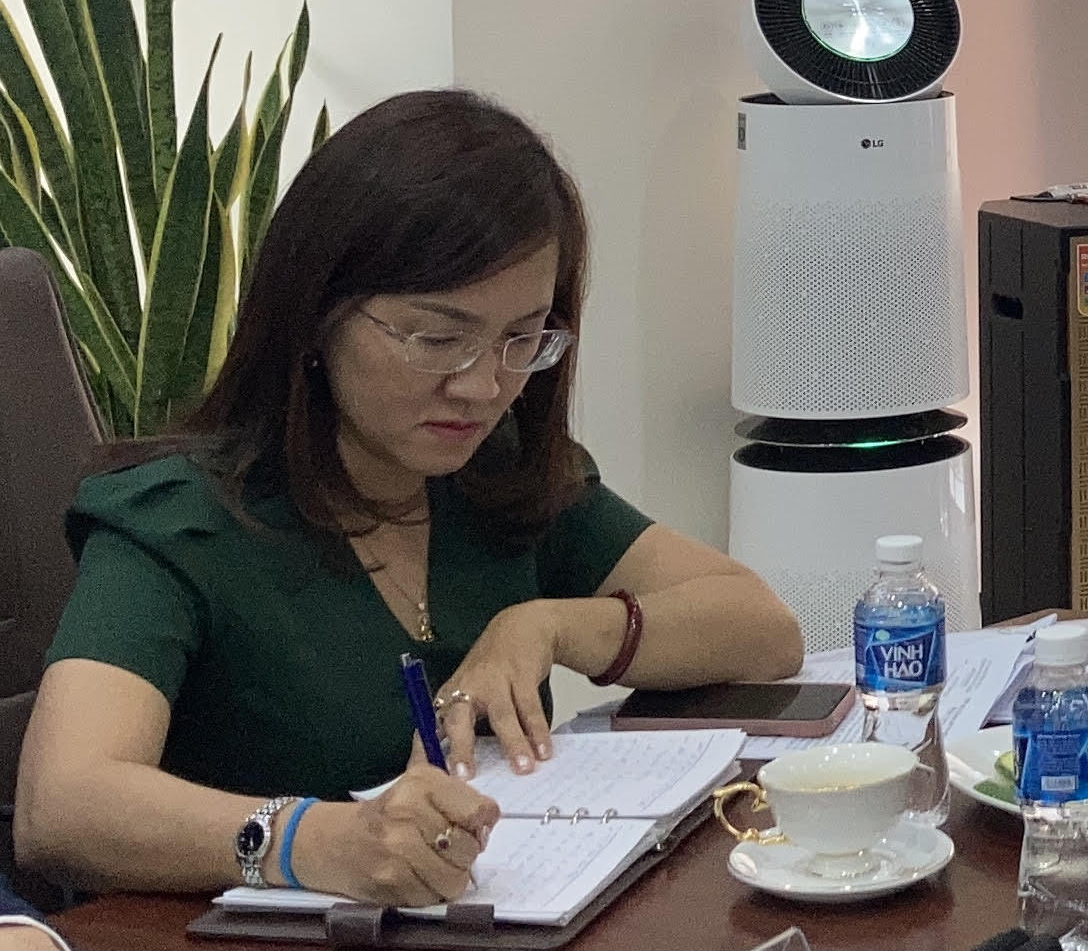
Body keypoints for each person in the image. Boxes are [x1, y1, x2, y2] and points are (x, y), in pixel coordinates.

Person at [15, 91, 803, 902]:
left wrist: (550, 626)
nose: (482, 384)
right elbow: (60, 805)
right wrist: (315, 840)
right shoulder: (179, 520)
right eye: (437, 338)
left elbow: (764, 628)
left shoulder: (495, 476)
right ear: (316, 314)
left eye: (521, 337)